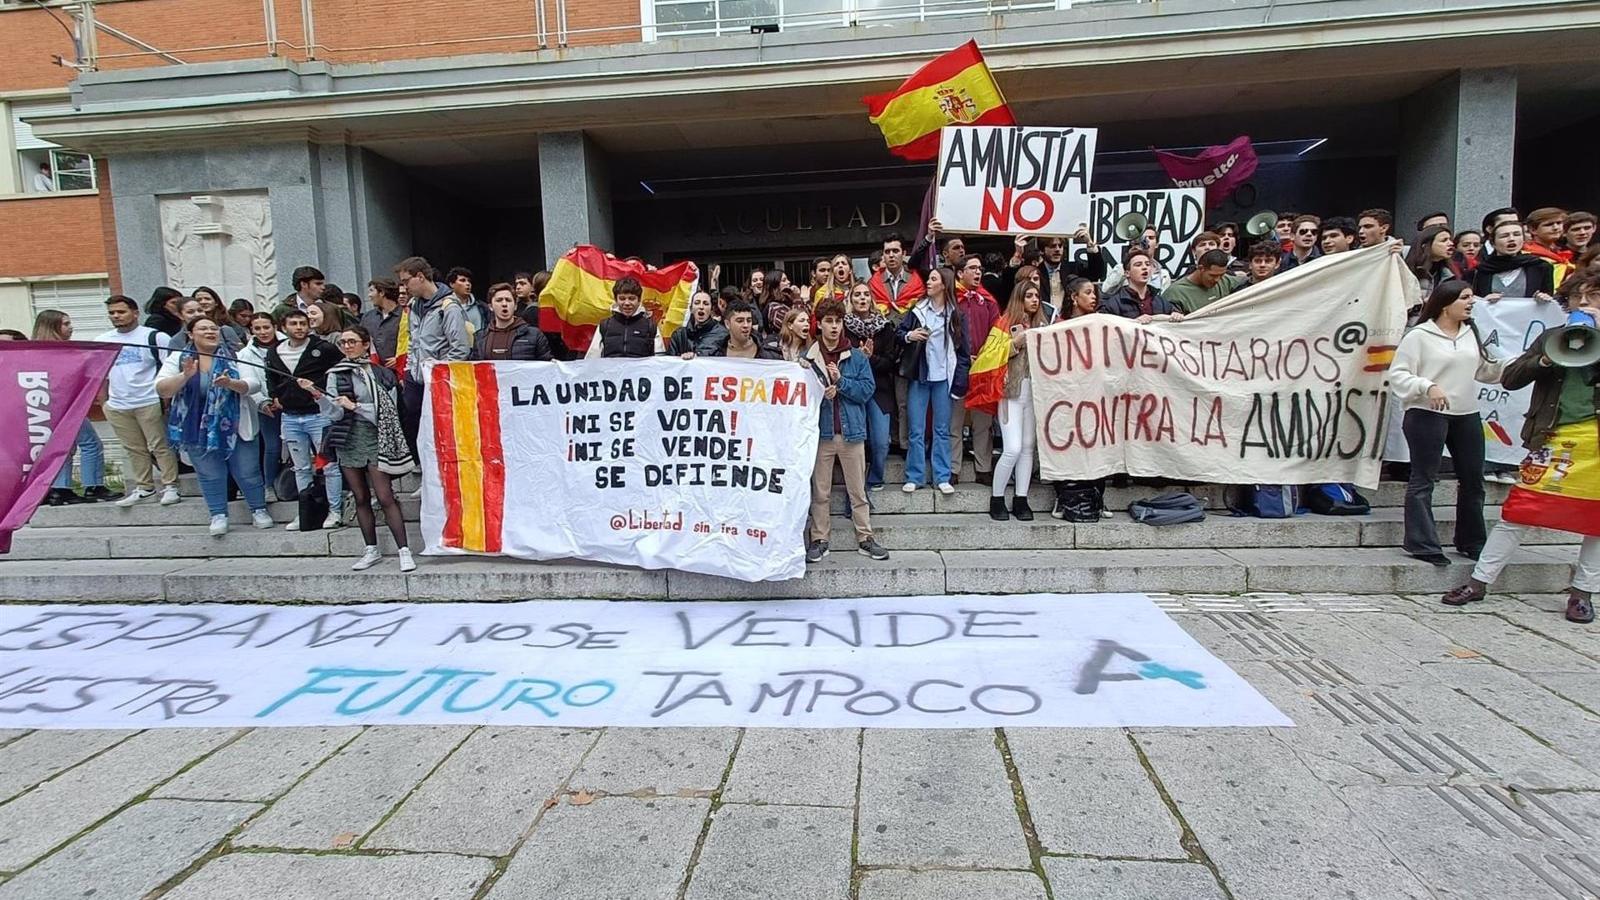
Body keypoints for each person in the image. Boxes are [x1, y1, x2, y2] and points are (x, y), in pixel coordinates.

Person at [1442, 275, 1600, 620]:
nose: (1586, 304)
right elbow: (1512, 378)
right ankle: (1480, 581)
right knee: (1518, 513)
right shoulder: (1550, 338)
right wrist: (1545, 358)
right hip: (1553, 438)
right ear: (1567, 304)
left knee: (1596, 523)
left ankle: (1582, 593)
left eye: (1595, 297)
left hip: (1595, 444)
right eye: (1579, 298)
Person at [1387, 280, 1504, 566]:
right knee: (1424, 479)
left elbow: (1487, 370)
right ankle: (1422, 542)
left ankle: (1472, 540)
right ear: (1445, 303)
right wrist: (1427, 386)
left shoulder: (1471, 333)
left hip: (1466, 412)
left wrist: (1526, 363)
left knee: (1473, 479)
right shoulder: (1419, 336)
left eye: (1471, 298)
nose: (1470, 303)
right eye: (1464, 298)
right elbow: (1398, 374)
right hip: (1426, 413)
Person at [154, 317, 274, 536]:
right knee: (210, 474)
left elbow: (253, 384)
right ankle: (218, 514)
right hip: (196, 428)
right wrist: (185, 375)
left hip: (235, 424)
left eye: (213, 328)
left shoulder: (236, 354)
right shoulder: (179, 358)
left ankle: (258, 509)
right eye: (203, 329)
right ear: (190, 334)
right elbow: (163, 390)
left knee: (248, 472)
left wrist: (230, 384)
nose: (210, 332)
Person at [311, 326, 416, 572]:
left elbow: (389, 411)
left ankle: (404, 550)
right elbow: (335, 413)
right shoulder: (335, 374)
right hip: (348, 439)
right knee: (360, 496)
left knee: (385, 495)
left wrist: (355, 406)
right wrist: (319, 397)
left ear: (366, 344)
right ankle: (371, 549)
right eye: (343, 342)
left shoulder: (382, 373)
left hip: (378, 436)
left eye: (352, 341)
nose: (347, 346)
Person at [803, 298, 889, 563]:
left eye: (838, 321)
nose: (834, 327)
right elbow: (802, 398)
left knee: (857, 490)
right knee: (820, 492)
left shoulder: (856, 356)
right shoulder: (807, 359)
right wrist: (820, 393)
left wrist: (841, 383)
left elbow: (866, 390)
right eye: (828, 321)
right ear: (820, 324)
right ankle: (819, 539)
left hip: (852, 433)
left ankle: (866, 537)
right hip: (821, 435)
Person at [96, 295, 182, 507]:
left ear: (135, 313)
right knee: (133, 448)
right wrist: (104, 402)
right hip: (118, 404)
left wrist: (167, 400)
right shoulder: (103, 341)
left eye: (121, 312)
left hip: (149, 398)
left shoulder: (154, 337)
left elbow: (169, 367)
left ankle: (170, 485)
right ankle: (144, 486)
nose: (116, 316)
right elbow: (100, 374)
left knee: (160, 445)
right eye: (112, 313)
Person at [266, 309, 342, 531]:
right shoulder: (274, 352)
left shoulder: (322, 348)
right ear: (284, 327)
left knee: (328, 465)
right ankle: (305, 511)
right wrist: (275, 396)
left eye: (303, 323)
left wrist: (326, 393)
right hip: (290, 417)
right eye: (294, 323)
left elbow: (339, 369)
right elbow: (271, 378)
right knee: (300, 468)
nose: (299, 327)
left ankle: (334, 510)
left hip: (318, 414)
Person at [898, 266, 970, 495]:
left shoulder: (956, 315)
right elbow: (898, 333)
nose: (928, 283)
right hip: (920, 376)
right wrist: (911, 336)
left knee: (942, 429)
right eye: (929, 279)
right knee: (916, 429)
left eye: (933, 279)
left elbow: (964, 354)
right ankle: (915, 476)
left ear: (944, 284)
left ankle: (942, 476)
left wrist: (959, 384)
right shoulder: (917, 309)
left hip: (944, 378)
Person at [396, 255, 471, 467]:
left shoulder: (448, 306)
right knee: (416, 426)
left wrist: (437, 371)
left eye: (405, 281)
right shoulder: (414, 306)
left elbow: (460, 347)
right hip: (417, 378)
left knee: (442, 431)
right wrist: (409, 370)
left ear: (420, 277)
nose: (403, 287)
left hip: (439, 380)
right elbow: (413, 341)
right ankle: (425, 470)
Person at [31, 310, 110, 506]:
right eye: (66, 324)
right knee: (91, 444)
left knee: (64, 448)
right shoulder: (64, 352)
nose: (71, 327)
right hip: (67, 406)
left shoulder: (34, 352)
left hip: (45, 406)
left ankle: (60, 489)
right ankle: (93, 485)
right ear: (53, 327)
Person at [1050, 277, 1110, 521]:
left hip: (1095, 396)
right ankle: (1065, 498)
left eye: (1095, 293)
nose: (1093, 297)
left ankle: (1097, 496)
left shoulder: (1103, 325)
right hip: (1067, 398)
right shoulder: (1059, 326)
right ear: (1074, 297)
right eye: (1088, 292)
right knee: (1067, 447)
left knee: (1098, 446)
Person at [989, 281, 1049, 522]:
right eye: (1029, 296)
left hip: (1034, 393)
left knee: (1027, 447)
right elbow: (988, 356)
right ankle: (997, 498)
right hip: (1010, 393)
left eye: (1037, 295)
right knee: (1012, 448)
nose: (1034, 300)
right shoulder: (1004, 323)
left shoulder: (1044, 325)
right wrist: (1015, 344)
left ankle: (1021, 498)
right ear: (1019, 298)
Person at [951, 255, 1000, 486]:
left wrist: (984, 356)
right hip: (957, 368)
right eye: (972, 268)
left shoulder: (988, 301)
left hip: (983, 368)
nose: (978, 272)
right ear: (960, 273)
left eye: (979, 268)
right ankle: (953, 469)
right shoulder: (951, 300)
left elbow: (997, 332)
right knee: (955, 421)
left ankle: (983, 468)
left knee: (983, 422)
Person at [844, 282, 898, 491]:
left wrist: (870, 358)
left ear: (872, 299)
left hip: (880, 390)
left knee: (881, 441)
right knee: (856, 442)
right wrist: (859, 358)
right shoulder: (843, 327)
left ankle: (875, 477)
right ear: (851, 300)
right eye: (857, 295)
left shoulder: (884, 327)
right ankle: (855, 484)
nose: (862, 298)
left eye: (866, 294)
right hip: (853, 391)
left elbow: (890, 361)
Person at [239, 312, 285, 498]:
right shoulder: (245, 354)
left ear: (274, 327)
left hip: (291, 402)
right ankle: (269, 485)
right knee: (272, 446)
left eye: (266, 327)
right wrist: (263, 402)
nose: (263, 331)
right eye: (257, 328)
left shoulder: (287, 344)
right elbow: (248, 379)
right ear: (251, 330)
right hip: (267, 407)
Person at [1473, 220, 1556, 301]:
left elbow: (1548, 299)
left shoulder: (1541, 266)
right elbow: (1473, 301)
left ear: (1523, 240)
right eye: (1504, 236)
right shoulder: (1482, 270)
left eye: (1517, 234)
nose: (1511, 239)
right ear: (1493, 243)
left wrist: (1543, 298)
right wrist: (1483, 301)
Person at [473, 282, 554, 361]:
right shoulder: (480, 337)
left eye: (508, 300)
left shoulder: (535, 335)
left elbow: (546, 367)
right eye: (499, 300)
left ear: (515, 306)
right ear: (490, 307)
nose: (504, 304)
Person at [587, 276, 663, 358]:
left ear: (639, 300)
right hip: (611, 370)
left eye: (631, 298)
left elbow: (660, 361)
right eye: (622, 299)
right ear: (616, 300)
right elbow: (592, 359)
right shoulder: (604, 326)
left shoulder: (651, 327)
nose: (627, 303)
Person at [1100, 248, 1183, 322]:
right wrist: (1133, 323)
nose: (1144, 267)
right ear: (1127, 273)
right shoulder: (1114, 304)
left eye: (1147, 264)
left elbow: (1174, 315)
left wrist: (1176, 315)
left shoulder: (1161, 302)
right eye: (1138, 265)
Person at [1163, 249, 1248, 314]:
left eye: (1221, 275)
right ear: (1201, 268)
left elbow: (1251, 283)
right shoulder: (1177, 292)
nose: (1217, 280)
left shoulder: (1226, 280)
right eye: (1212, 275)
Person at [868, 233, 924, 315]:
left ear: (904, 254)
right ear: (883, 255)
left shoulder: (917, 282)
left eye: (895, 251)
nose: (891, 255)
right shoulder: (873, 284)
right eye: (887, 252)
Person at [666, 290, 728, 359]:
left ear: (711, 309)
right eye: (697, 303)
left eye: (706, 303)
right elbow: (670, 363)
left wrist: (697, 356)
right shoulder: (679, 335)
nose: (701, 307)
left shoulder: (722, 334)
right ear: (691, 309)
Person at [1524, 207, 1575, 287]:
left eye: (1559, 223)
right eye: (1549, 225)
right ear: (1533, 230)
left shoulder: (1561, 253)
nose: (1556, 228)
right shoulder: (1527, 254)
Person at [360, 278, 404, 367]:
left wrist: (401, 358)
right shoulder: (368, 317)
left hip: (399, 371)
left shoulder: (405, 315)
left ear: (382, 293)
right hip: (374, 370)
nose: (369, 295)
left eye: (371, 291)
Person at [715, 300, 781, 360]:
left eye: (749, 320)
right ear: (727, 324)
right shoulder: (714, 355)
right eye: (740, 321)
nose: (746, 325)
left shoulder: (771, 356)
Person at [445, 267, 486, 335]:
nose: (468, 284)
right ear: (452, 284)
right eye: (462, 280)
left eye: (469, 281)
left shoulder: (481, 307)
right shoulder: (444, 306)